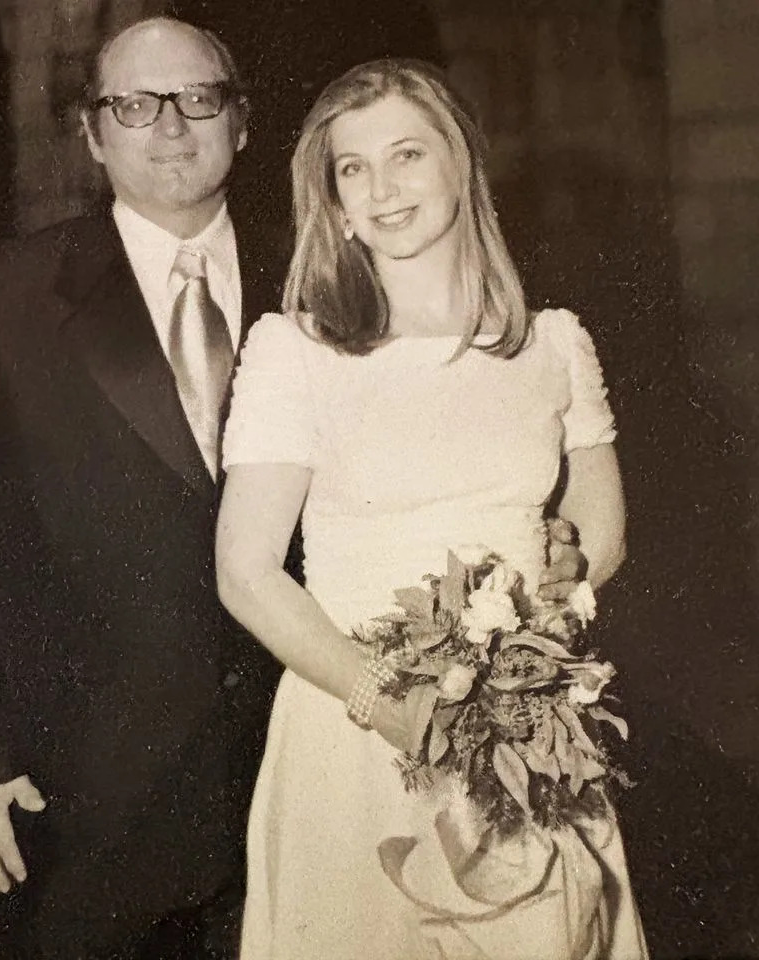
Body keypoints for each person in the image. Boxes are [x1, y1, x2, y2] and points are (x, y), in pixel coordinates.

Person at [216, 59, 648, 959]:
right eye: (354, 168)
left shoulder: (552, 345)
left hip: (522, 733)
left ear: (461, 163)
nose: (382, 188)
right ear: (335, 203)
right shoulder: (294, 351)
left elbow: (600, 528)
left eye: (407, 154)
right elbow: (246, 574)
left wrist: (561, 577)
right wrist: (384, 701)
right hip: (355, 729)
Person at [0, 17, 286, 959]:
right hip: (78, 803)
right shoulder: (1, 297)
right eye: (135, 105)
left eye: (198, 99)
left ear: (241, 121)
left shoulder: (319, 280)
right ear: (93, 133)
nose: (170, 127)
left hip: (290, 781)